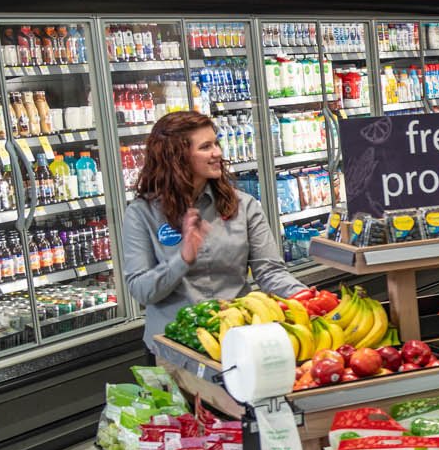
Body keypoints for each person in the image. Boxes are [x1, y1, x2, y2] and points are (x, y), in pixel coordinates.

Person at [122, 110, 306, 351]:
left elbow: (270, 272)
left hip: (238, 342)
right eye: (206, 146)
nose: (218, 153)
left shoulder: (243, 206)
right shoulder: (141, 214)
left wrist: (308, 298)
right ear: (176, 157)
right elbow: (142, 292)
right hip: (174, 348)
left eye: (216, 143)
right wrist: (183, 258)